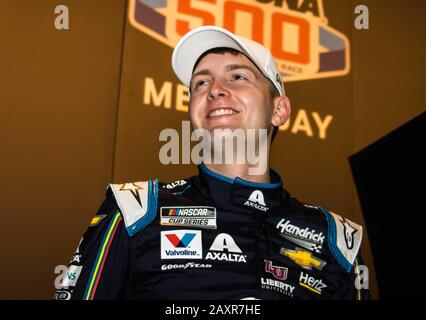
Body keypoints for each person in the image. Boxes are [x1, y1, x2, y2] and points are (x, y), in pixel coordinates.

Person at [54, 26, 369, 300]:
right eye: (201, 83)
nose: (215, 89)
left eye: (238, 76)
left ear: (279, 110)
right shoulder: (136, 211)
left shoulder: (338, 241)